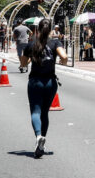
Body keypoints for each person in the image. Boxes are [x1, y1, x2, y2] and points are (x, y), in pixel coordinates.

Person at [20, 18, 68, 158]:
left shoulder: (31, 44)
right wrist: (61, 62)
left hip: (35, 81)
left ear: (37, 30)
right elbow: (64, 57)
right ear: (51, 30)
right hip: (50, 82)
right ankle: (42, 142)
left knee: (35, 110)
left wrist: (28, 60)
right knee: (45, 113)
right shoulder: (55, 42)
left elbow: (23, 64)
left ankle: (39, 136)